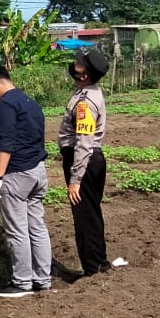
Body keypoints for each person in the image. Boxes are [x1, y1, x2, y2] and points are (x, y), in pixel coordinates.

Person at [0, 64, 52, 298]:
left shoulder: (6, 106)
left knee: (17, 230)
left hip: (17, 173)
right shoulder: (30, 103)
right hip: (38, 171)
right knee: (37, 227)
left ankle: (22, 282)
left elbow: (6, 143)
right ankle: (43, 279)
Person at [58, 47, 110, 278]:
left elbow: (83, 142)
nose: (73, 64)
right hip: (92, 160)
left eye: (78, 63)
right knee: (92, 212)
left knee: (84, 216)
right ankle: (99, 262)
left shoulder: (85, 103)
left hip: (84, 161)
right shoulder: (88, 92)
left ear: (85, 74)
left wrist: (75, 179)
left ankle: (92, 268)